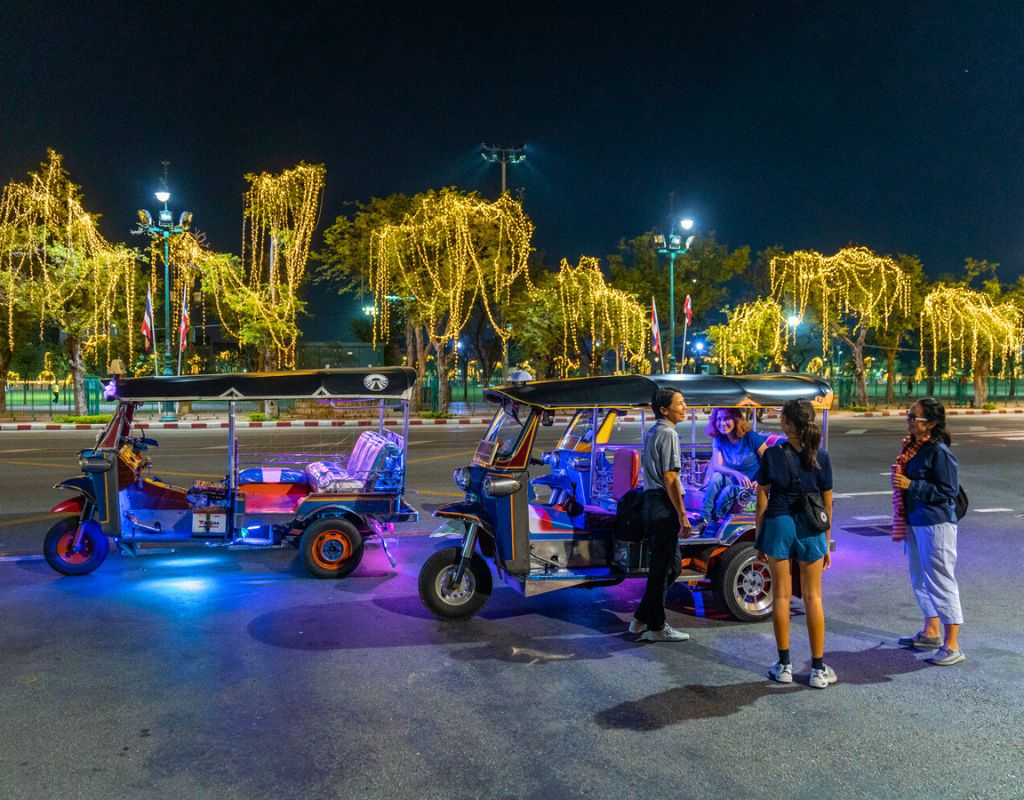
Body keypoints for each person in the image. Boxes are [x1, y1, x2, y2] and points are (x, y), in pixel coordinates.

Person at [754, 398, 835, 688]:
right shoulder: (821, 456)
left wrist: (759, 536)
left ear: (787, 423)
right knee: (813, 597)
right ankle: (818, 669)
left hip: (778, 524)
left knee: (781, 597)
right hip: (811, 526)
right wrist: (826, 541)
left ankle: (784, 666)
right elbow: (827, 502)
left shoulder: (772, 454)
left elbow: (761, 499)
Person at [891, 397, 964, 666]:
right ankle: (931, 631)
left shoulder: (939, 452)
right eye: (909, 415)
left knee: (941, 579)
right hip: (915, 520)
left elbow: (948, 492)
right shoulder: (915, 448)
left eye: (914, 417)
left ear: (930, 424)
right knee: (920, 578)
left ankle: (952, 645)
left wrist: (911, 485)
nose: (909, 420)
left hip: (936, 523)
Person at [629, 387, 692, 642]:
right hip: (663, 504)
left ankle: (641, 617)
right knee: (663, 567)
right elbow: (670, 477)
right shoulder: (668, 433)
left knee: (671, 566)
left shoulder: (654, 430)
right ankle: (656, 626)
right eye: (680, 403)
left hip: (652, 502)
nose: (685, 407)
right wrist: (682, 514)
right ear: (664, 410)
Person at [692, 408, 771, 536]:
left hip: (752, 486)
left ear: (736, 419)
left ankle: (714, 521)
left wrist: (761, 480)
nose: (722, 423)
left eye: (726, 418)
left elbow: (771, 461)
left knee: (729, 490)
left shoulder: (751, 437)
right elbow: (717, 466)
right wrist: (736, 474)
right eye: (718, 419)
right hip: (734, 480)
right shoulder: (719, 439)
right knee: (716, 477)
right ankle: (704, 519)